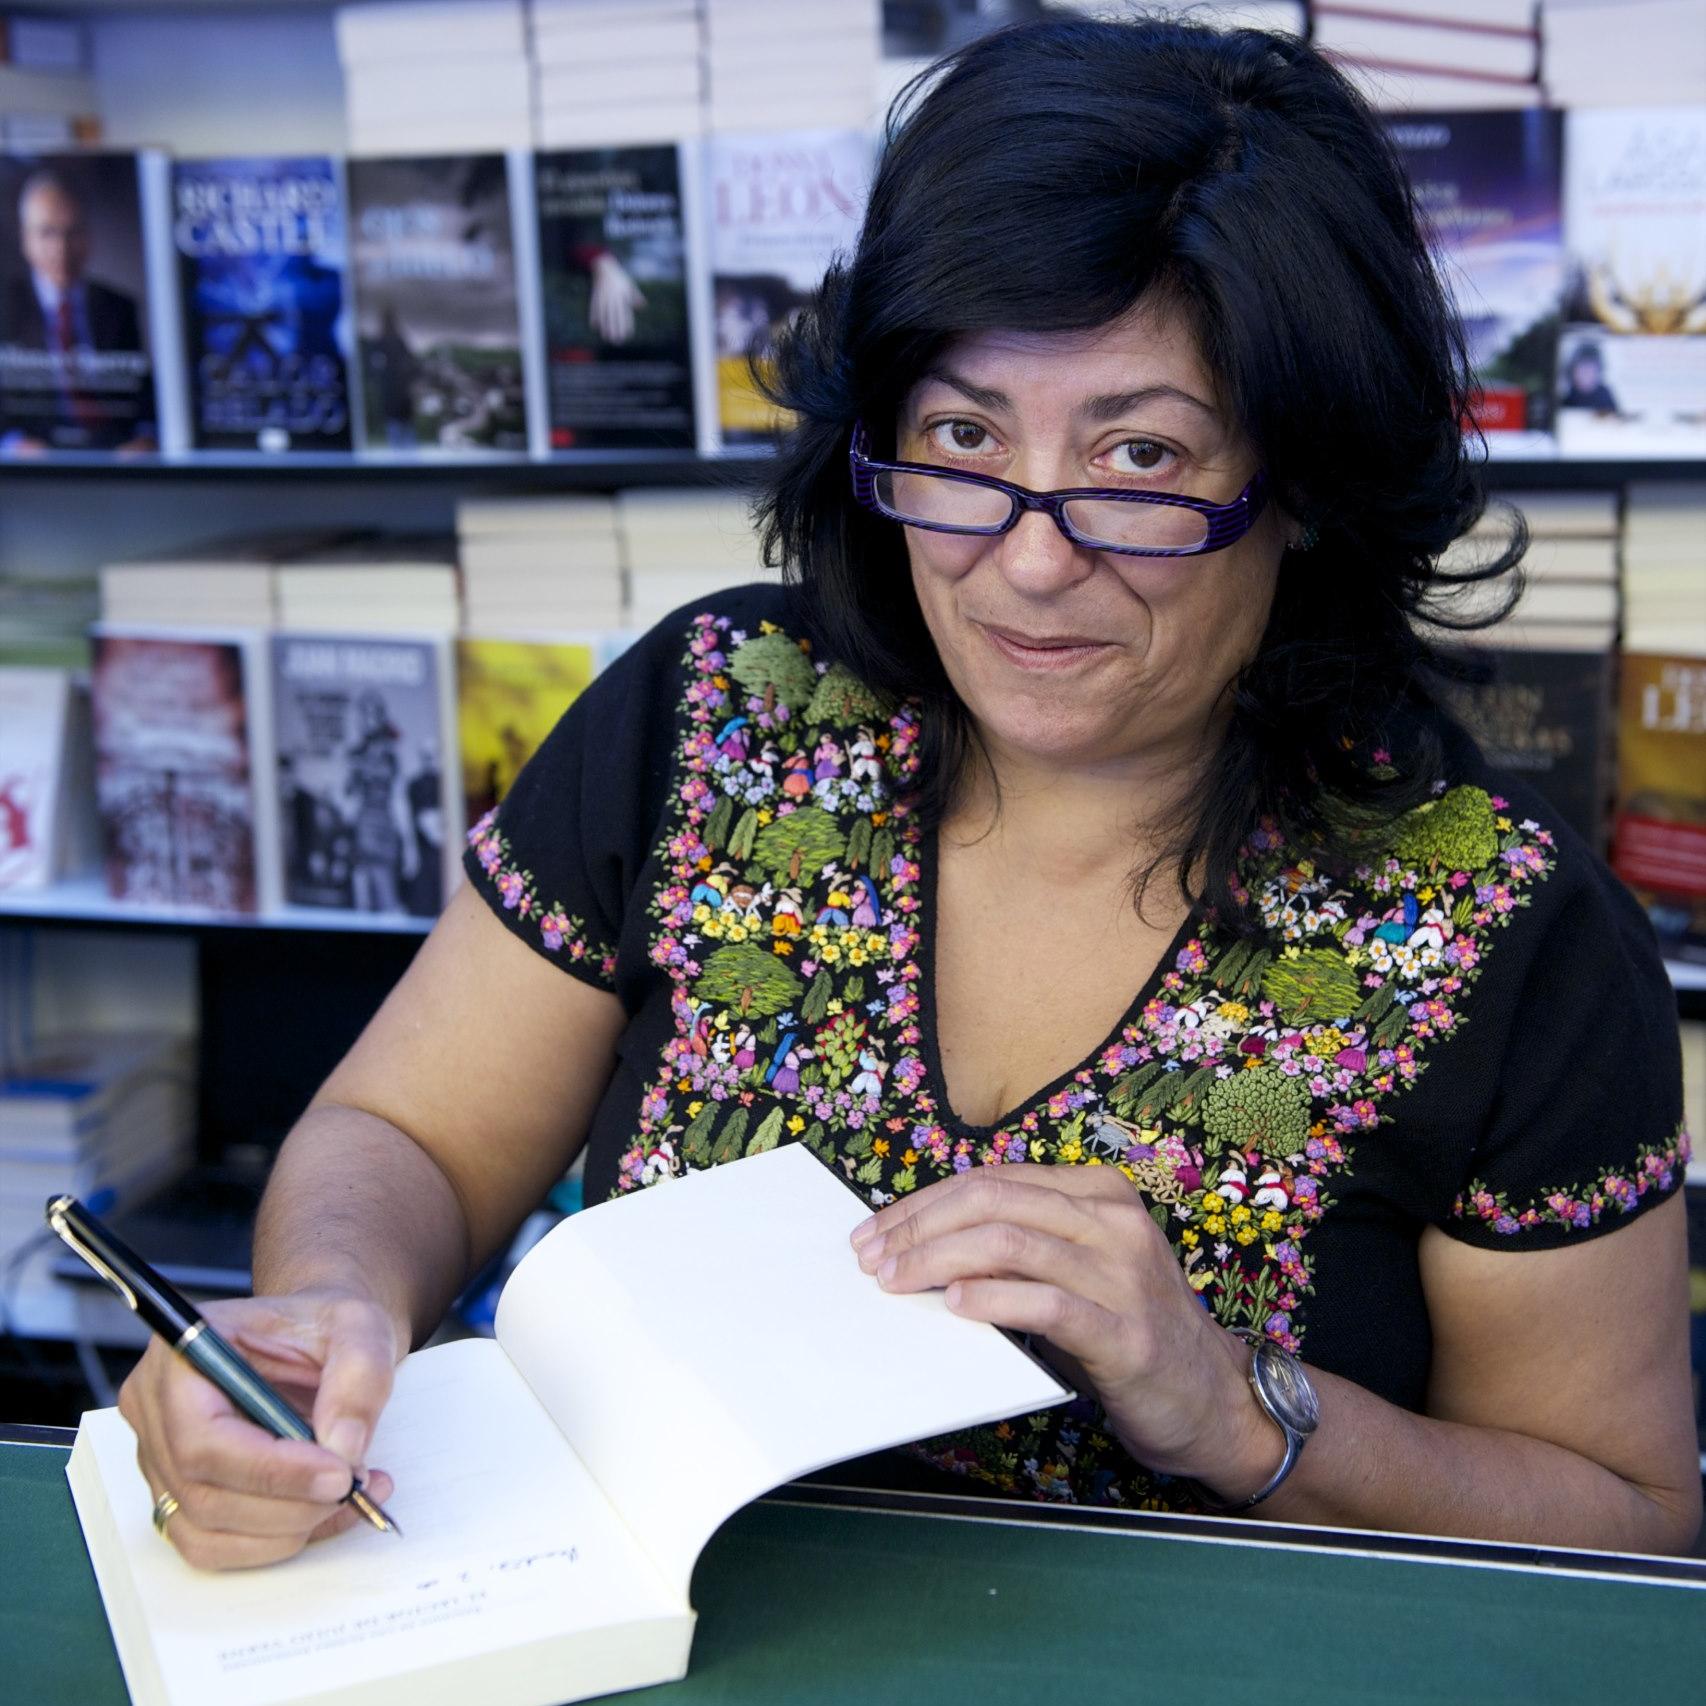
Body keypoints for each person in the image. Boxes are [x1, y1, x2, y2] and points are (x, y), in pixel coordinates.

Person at [118, 13, 1698, 1569]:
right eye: (960, 435)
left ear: (1305, 487)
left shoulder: (1500, 925)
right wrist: (323, 1304)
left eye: (1137, 459)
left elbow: (1626, 1515)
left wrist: (1233, 1403)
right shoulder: (720, 712)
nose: (1025, 554)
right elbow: (409, 1133)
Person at [0, 168, 154, 453]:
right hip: (35, 467)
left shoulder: (119, 307)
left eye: (72, 232)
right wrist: (11, 445)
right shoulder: (6, 307)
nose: (61, 248)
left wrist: (145, 437)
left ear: (88, 236)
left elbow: (144, 399)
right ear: (26, 239)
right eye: (47, 233)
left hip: (113, 458)